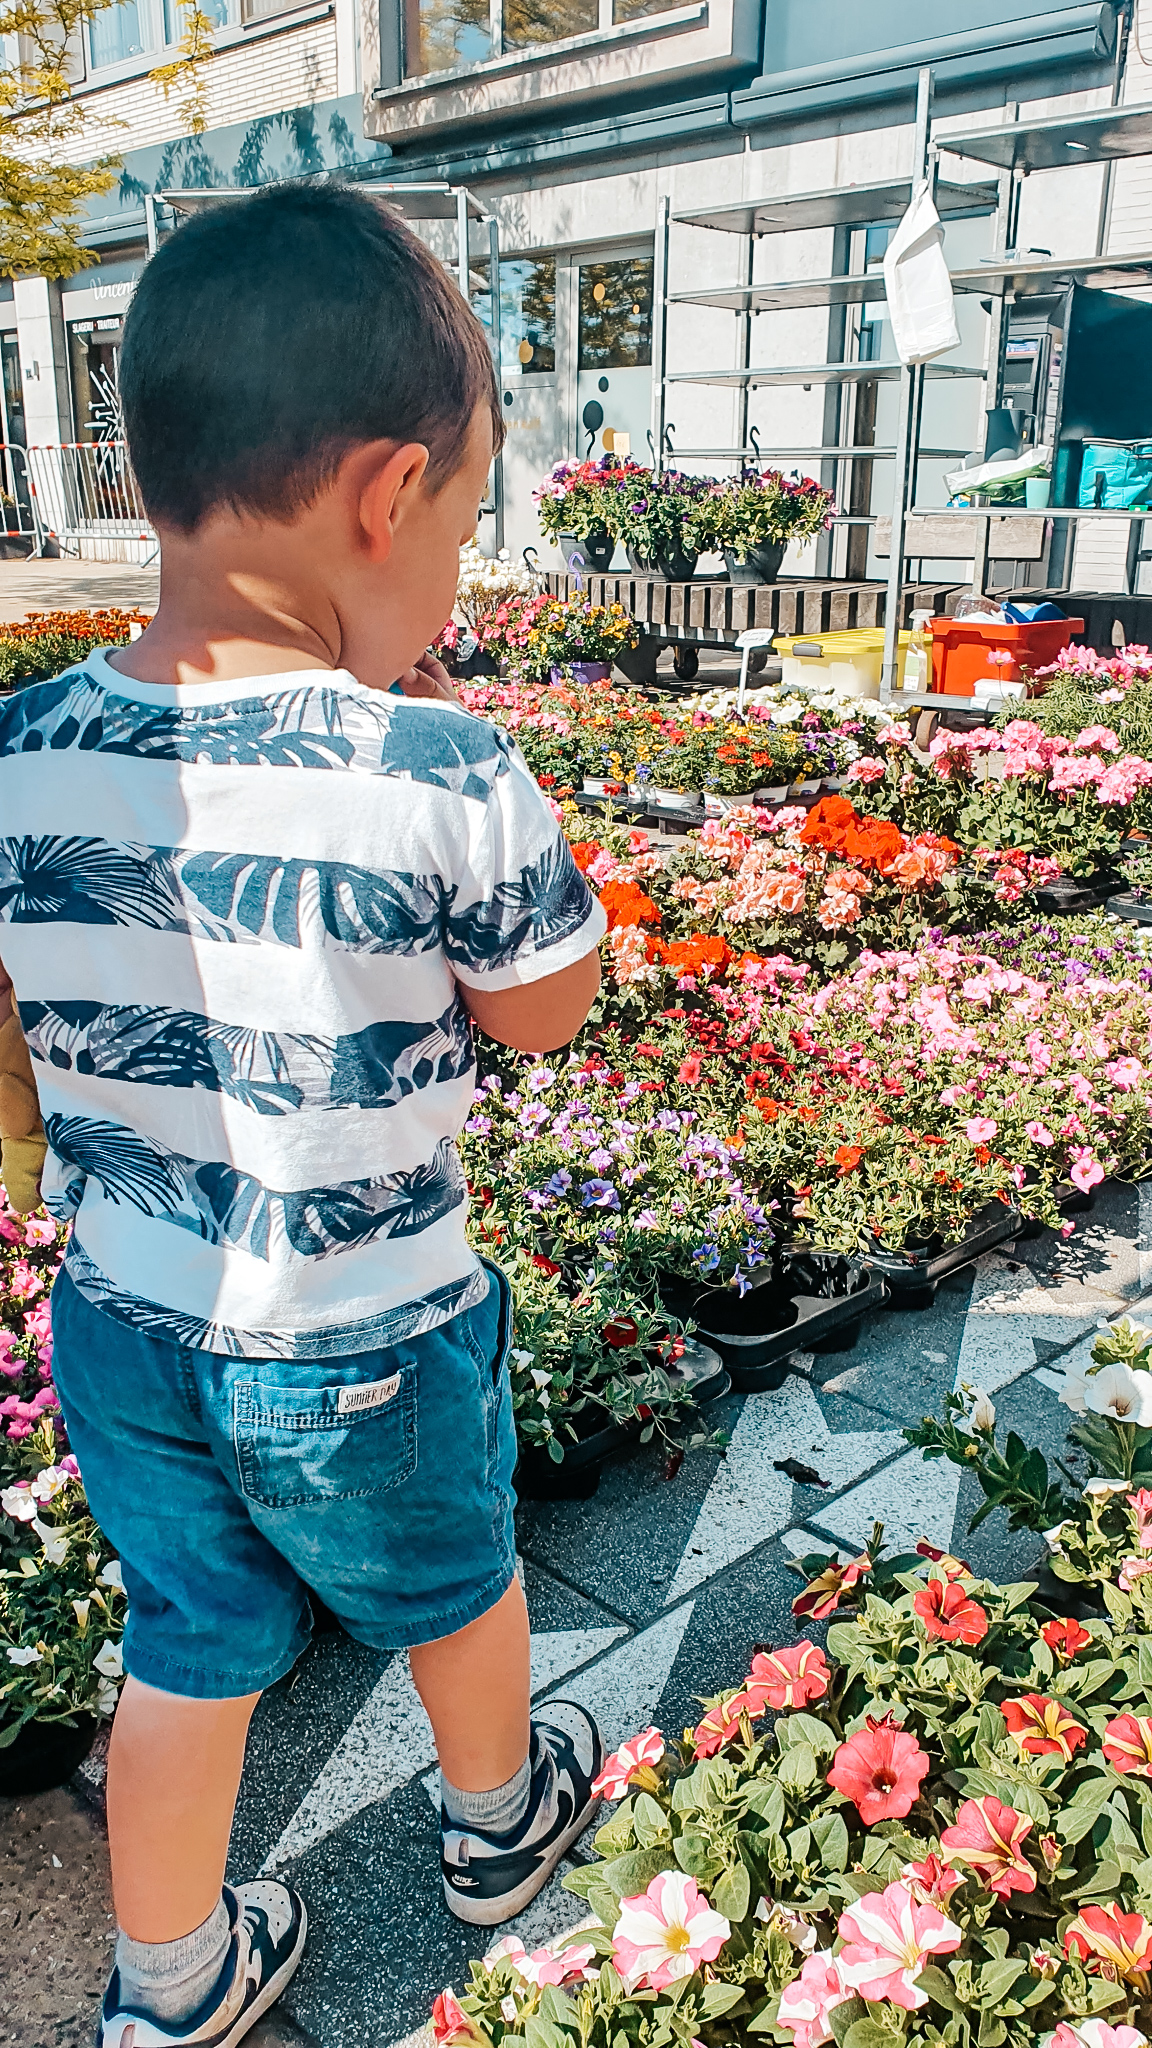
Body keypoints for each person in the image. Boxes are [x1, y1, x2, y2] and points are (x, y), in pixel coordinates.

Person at [0, 182, 607, 2048]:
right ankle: (500, 1827)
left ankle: (171, 1986)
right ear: (380, 493)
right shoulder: (441, 764)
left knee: (185, 1647)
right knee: (457, 1578)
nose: (456, 584)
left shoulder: (24, 741)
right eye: (462, 523)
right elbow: (549, 1010)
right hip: (367, 1330)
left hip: (121, 1322)